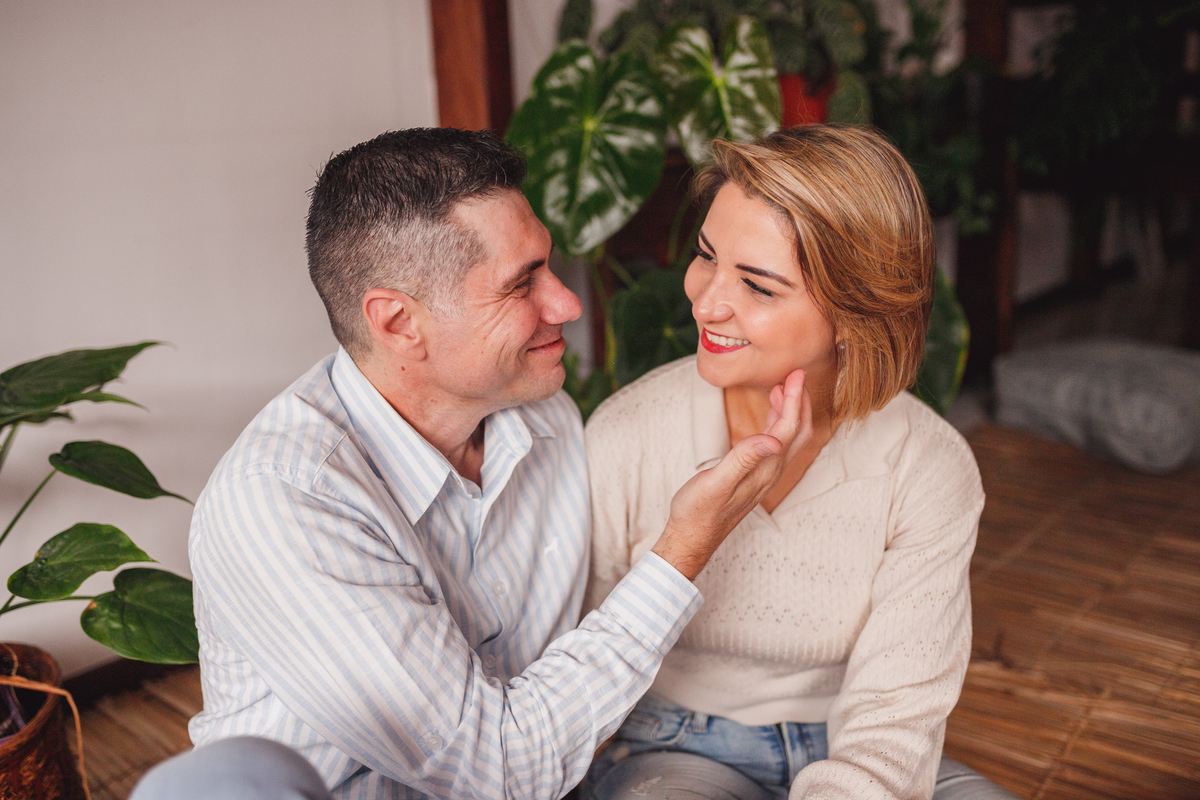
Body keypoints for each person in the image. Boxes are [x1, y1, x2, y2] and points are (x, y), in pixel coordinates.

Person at [135, 128, 810, 800]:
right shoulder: (285, 502)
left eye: (548, 265)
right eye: (523, 285)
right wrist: (682, 551)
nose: (567, 305)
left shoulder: (544, 417)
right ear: (399, 323)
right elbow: (501, 772)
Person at [581, 125, 996, 800]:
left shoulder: (927, 465)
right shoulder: (628, 434)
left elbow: (894, 719)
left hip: (856, 743)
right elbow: (578, 665)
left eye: (759, 285)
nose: (707, 300)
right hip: (675, 749)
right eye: (706, 257)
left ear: (852, 310)